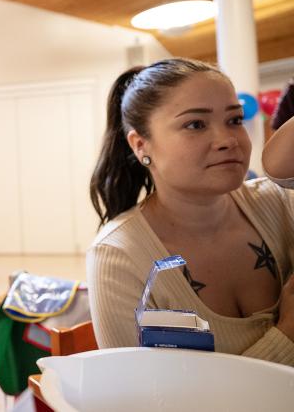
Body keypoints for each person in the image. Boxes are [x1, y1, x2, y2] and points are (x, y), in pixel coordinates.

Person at [88, 58, 294, 366]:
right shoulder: (118, 256)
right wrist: (287, 335)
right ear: (141, 145)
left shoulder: (279, 202)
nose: (227, 141)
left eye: (235, 120)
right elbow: (141, 398)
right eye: (195, 125)